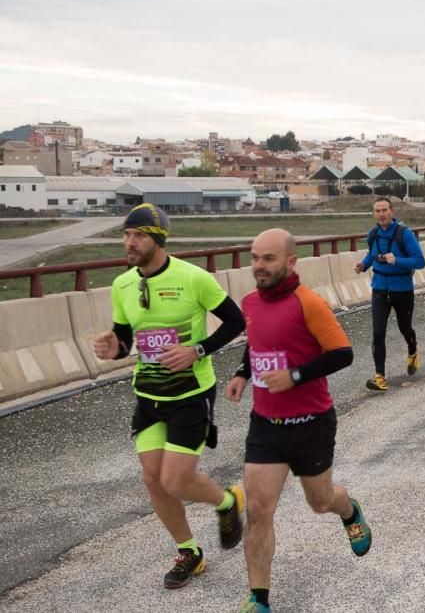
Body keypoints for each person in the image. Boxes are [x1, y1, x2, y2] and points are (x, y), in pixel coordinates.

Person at [92, 203, 247, 590]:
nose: (129, 242)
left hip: (190, 393)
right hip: (147, 394)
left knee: (175, 480)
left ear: (157, 240)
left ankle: (228, 502)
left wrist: (196, 350)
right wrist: (116, 348)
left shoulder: (193, 278)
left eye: (138, 235)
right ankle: (189, 552)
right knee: (153, 479)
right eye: (126, 235)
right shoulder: (123, 285)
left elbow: (236, 321)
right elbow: (126, 337)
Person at [226, 229, 371, 613]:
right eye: (254, 257)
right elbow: (257, 344)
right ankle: (259, 598)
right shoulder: (250, 303)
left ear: (291, 262)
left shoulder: (309, 303)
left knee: (320, 502)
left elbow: (342, 353)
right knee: (258, 510)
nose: (258, 265)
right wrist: (243, 373)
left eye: (268, 258)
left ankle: (349, 510)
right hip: (266, 425)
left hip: (311, 422)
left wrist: (294, 376)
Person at [354, 197, 425, 391]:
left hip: (402, 288)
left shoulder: (405, 234)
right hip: (379, 287)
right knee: (378, 332)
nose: (381, 214)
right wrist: (363, 265)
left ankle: (413, 351)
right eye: (377, 211)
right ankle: (380, 377)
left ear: (392, 212)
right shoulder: (373, 234)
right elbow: (371, 254)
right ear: (373, 214)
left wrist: (397, 261)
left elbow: (420, 262)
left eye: (384, 210)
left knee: (405, 328)